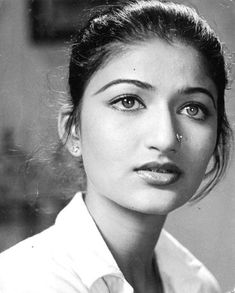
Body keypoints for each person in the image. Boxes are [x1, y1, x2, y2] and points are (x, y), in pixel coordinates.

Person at [0, 0, 232, 292]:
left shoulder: (198, 284)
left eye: (192, 108)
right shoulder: (25, 281)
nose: (165, 138)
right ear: (73, 131)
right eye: (128, 101)